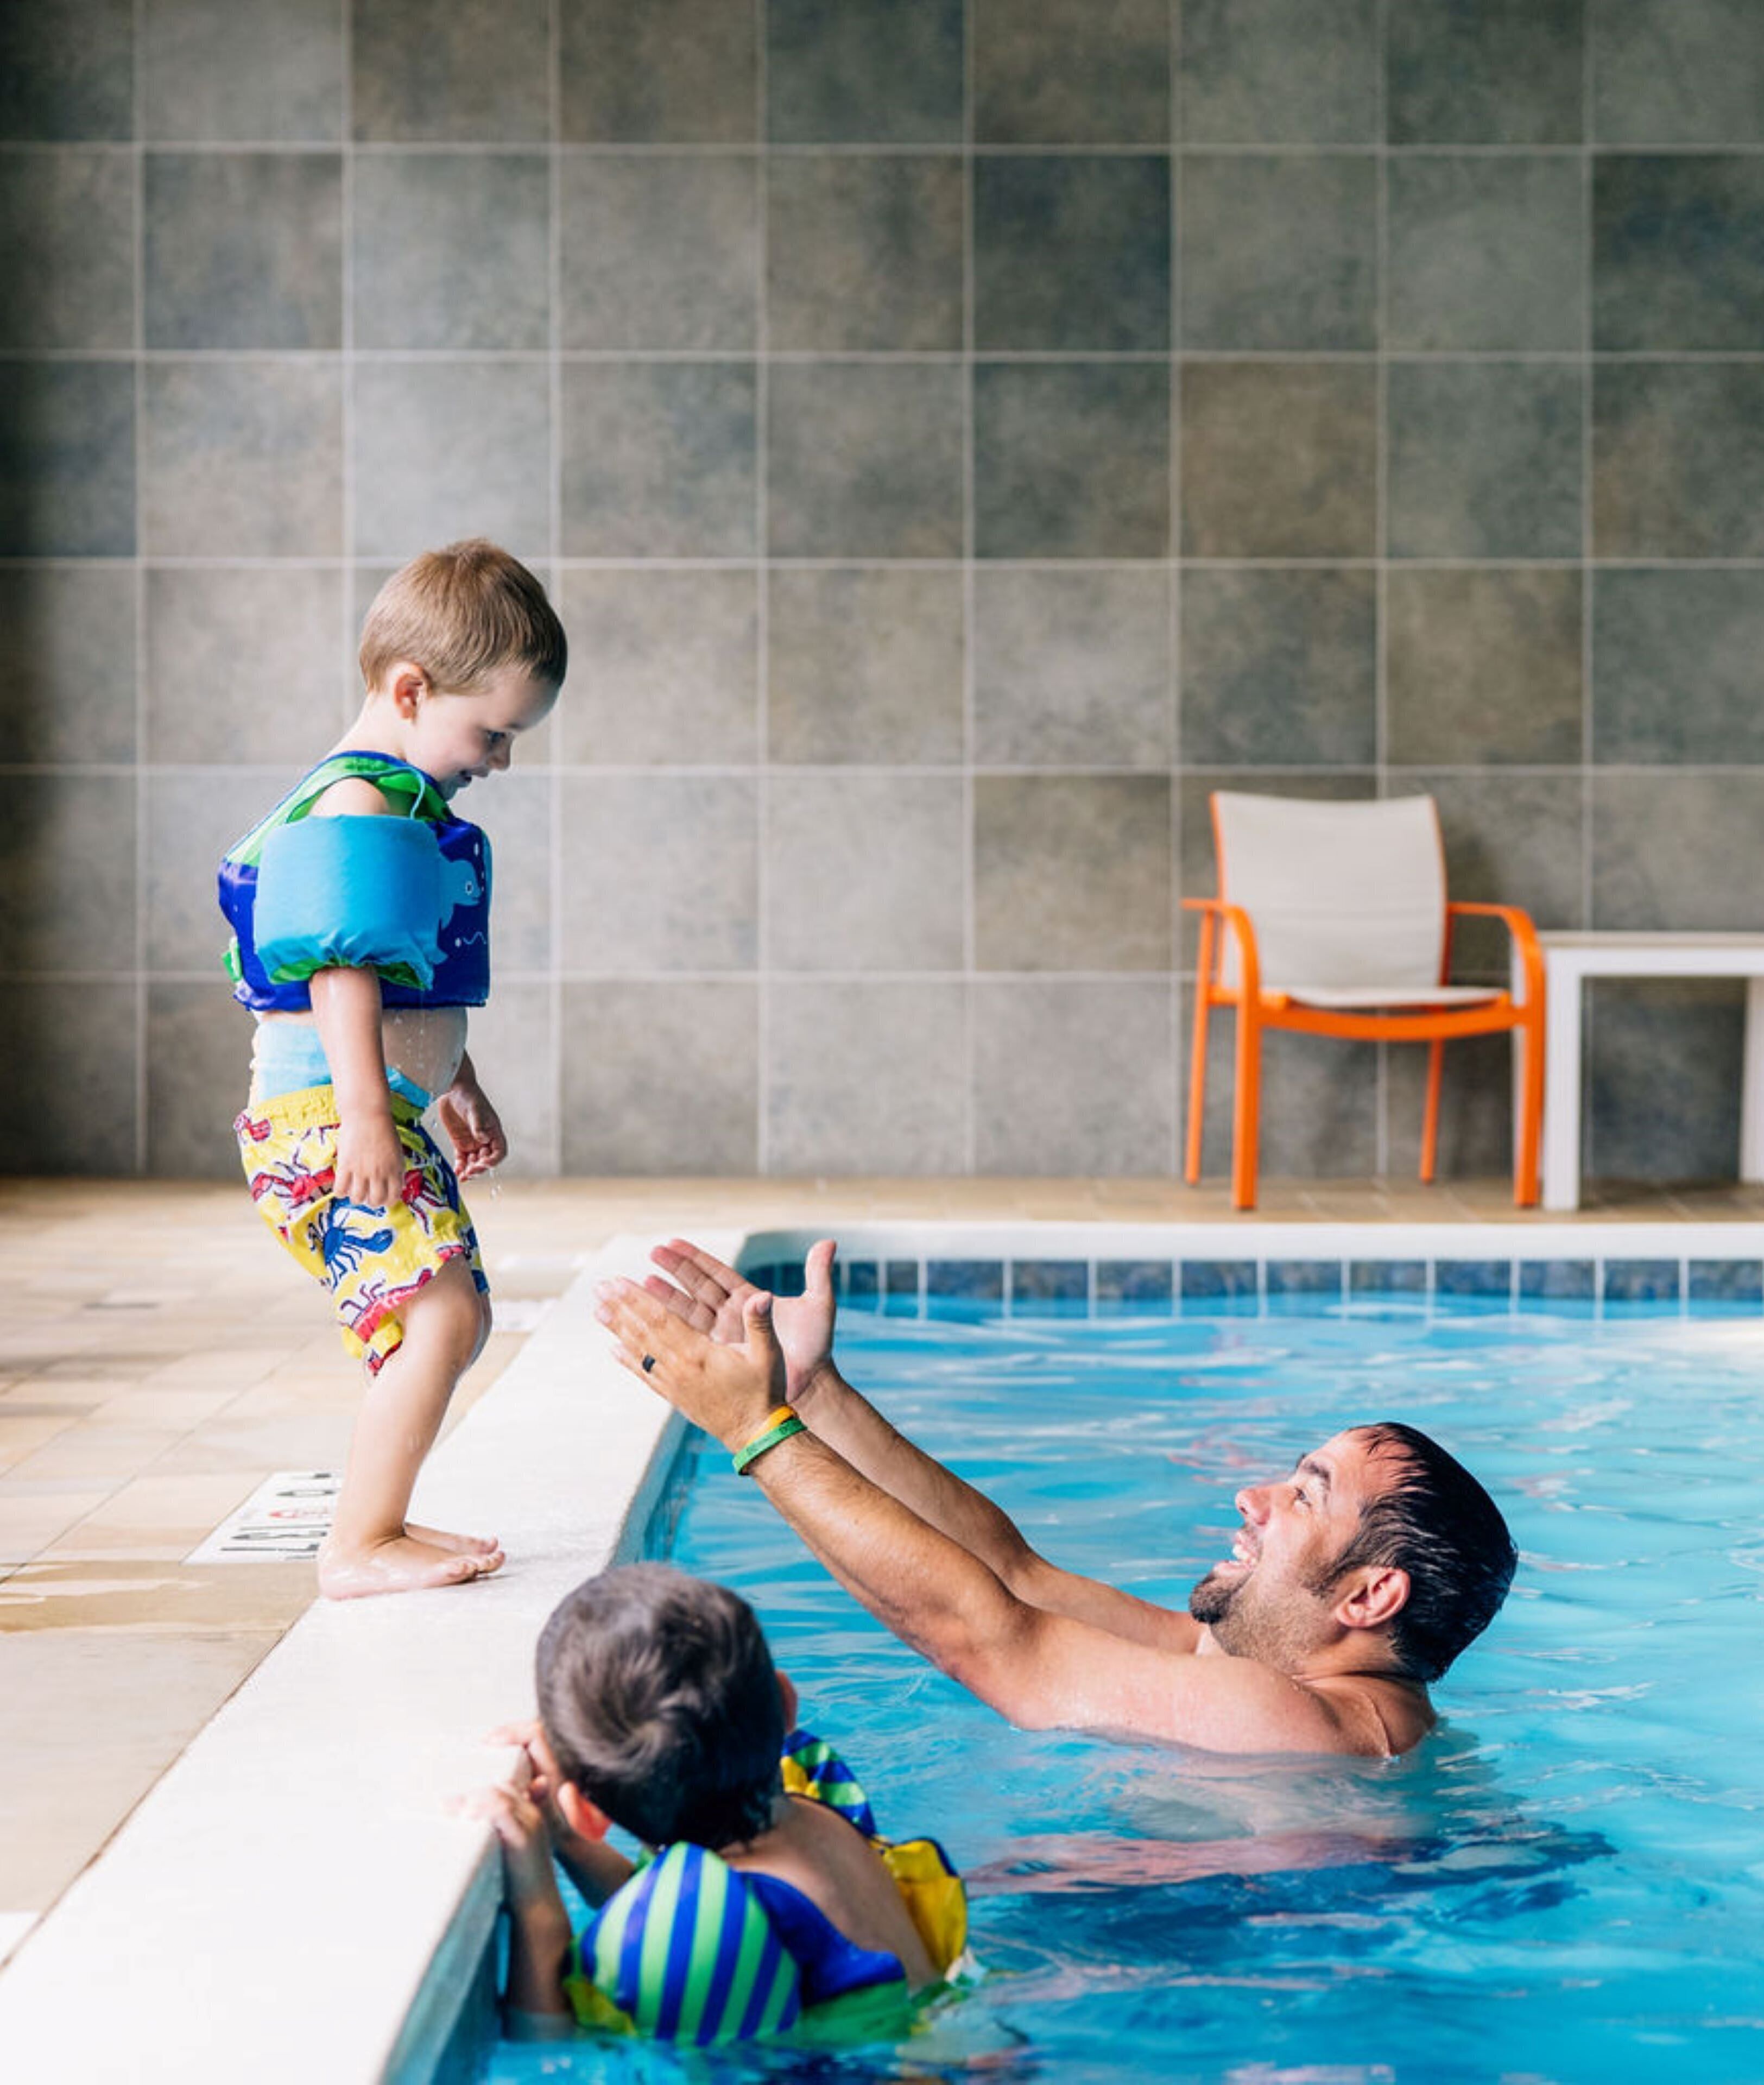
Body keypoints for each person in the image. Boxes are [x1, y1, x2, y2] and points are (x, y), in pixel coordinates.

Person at [592, 1241, 1519, 1760]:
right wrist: (811, 1394)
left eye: (1304, 1496)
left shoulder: (1296, 1721)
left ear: (1368, 1598)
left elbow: (988, 1641)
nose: (1253, 1496)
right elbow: (1013, 1579)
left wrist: (755, 1435)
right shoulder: (1281, 1674)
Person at [216, 540, 564, 1598]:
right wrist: (371, 1116)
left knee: (460, 1317)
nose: (498, 761)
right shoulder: (353, 808)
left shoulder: (402, 812)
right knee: (441, 1316)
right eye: (493, 733)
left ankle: (383, 1520)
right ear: (410, 690)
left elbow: (405, 978)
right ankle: (360, 1543)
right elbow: (338, 973)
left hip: (365, 1109)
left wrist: (454, 1087)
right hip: (326, 1118)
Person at [464, 1564, 968, 2048]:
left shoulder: (720, 1916)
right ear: (785, 1704)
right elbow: (673, 1904)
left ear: (588, 1811)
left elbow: (549, 2040)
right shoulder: (809, 1802)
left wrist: (535, 1902)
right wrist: (564, 1837)